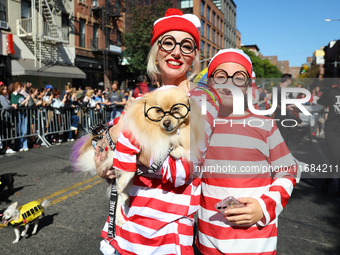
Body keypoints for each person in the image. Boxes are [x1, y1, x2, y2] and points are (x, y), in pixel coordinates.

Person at [94, 8, 219, 255]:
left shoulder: (201, 101)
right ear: (156, 51)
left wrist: (128, 151)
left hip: (164, 239)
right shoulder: (145, 98)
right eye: (168, 42)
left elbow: (183, 170)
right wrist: (102, 160)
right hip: (121, 230)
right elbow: (103, 142)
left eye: (186, 46)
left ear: (194, 56)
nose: (176, 52)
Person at [195, 49, 297, 255]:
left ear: (248, 86)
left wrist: (263, 206)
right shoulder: (199, 126)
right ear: (209, 82)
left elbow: (288, 171)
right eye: (220, 76)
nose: (228, 83)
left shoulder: (265, 126)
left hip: (256, 242)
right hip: (208, 242)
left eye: (238, 78)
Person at [318, 81, 340, 198]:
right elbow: (319, 105)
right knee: (336, 157)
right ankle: (327, 181)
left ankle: (328, 180)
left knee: (336, 159)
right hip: (333, 129)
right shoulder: (331, 92)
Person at [274, 73, 294, 144]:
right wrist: (284, 108)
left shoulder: (289, 90)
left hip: (288, 115)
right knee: (280, 133)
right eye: (291, 79)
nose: (291, 81)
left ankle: (286, 149)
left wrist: (295, 105)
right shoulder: (277, 89)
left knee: (288, 133)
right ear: (288, 80)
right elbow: (274, 104)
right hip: (280, 115)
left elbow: (291, 102)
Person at [10, 82, 31, 152]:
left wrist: (27, 100)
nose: (21, 88)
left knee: (24, 130)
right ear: (16, 87)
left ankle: (24, 145)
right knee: (19, 130)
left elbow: (25, 105)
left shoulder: (20, 95)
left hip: (23, 113)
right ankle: (19, 145)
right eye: (20, 87)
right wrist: (26, 100)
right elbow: (17, 105)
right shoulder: (13, 95)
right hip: (17, 114)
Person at [0, 85, 16, 154]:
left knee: (7, 132)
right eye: (4, 89)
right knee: (6, 132)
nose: (6, 90)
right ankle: (6, 147)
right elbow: (6, 106)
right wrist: (12, 106)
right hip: (4, 117)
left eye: (6, 89)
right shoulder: (1, 97)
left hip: (7, 117)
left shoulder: (5, 97)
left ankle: (6, 147)